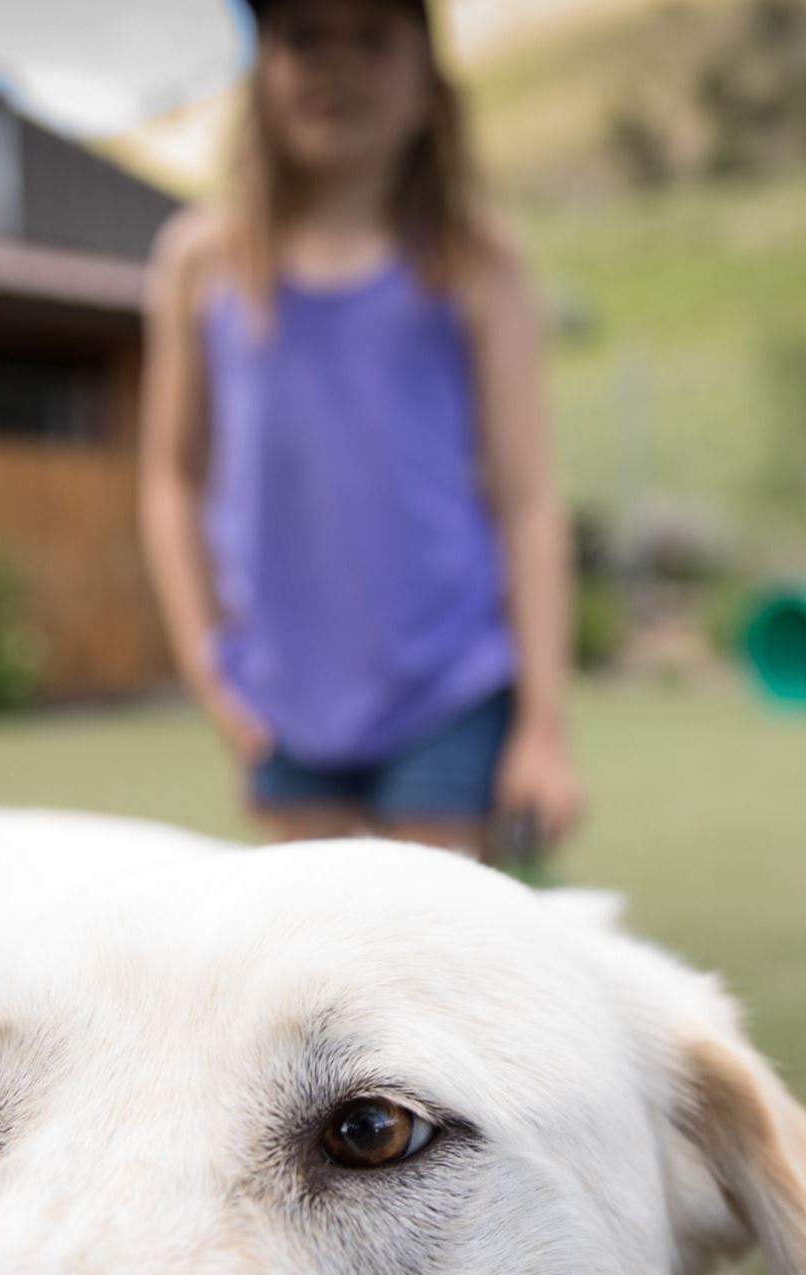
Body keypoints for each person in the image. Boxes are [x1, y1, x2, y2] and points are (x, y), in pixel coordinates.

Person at [139, 0, 582, 857]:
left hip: (447, 685)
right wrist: (209, 671)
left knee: (429, 967)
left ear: (426, 84)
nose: (335, 67)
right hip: (283, 699)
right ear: (262, 71)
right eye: (305, 39)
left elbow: (528, 498)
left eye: (371, 40)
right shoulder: (200, 261)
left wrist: (543, 726)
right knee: (305, 969)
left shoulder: (476, 261)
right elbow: (171, 478)